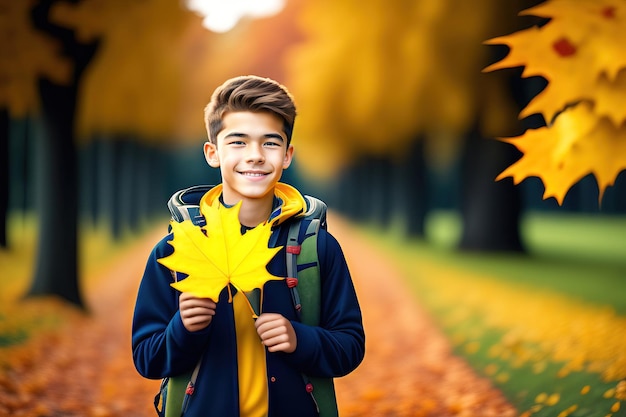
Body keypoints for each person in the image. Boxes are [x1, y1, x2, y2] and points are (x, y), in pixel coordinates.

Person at [131, 75, 365, 417]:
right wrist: (182, 329)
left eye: (270, 143)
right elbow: (146, 358)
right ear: (213, 153)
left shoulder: (316, 248)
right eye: (238, 142)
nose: (255, 156)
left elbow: (351, 346)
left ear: (287, 155)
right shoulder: (175, 251)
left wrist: (300, 339)